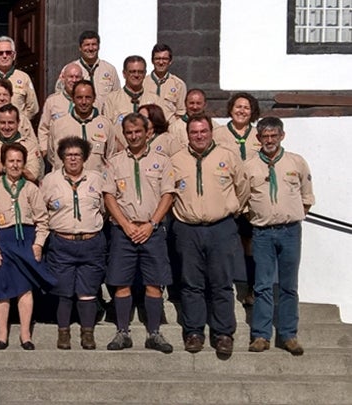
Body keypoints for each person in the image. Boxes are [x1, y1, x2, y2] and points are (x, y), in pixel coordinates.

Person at [170, 115, 249, 357]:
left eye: (203, 131)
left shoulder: (227, 156)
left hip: (220, 227)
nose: (200, 136)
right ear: (188, 135)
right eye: (194, 132)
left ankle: (223, 333)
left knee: (221, 282)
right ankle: (194, 332)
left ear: (211, 132)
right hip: (187, 228)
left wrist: (232, 209)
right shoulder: (176, 160)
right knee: (191, 282)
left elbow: (243, 187)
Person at [103, 114, 176, 353]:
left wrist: (152, 224)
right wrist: (125, 224)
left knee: (154, 283)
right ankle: (122, 332)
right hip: (124, 231)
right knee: (121, 282)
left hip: (151, 230)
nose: (133, 136)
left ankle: (154, 333)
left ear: (147, 133)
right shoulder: (114, 162)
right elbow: (109, 196)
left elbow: (168, 195)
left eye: (137, 132)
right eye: (128, 133)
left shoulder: (162, 161)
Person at [244, 117, 314, 355]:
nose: (270, 140)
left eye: (274, 135)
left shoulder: (297, 162)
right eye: (265, 136)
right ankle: (261, 335)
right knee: (262, 285)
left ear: (282, 136)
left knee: (288, 285)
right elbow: (242, 199)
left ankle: (288, 335)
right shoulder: (249, 166)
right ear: (258, 138)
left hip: (290, 232)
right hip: (262, 233)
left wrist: (290, 215)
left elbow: (306, 197)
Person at [0, 143, 54, 350]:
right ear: (4, 163)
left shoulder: (31, 189)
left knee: (25, 290)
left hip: (25, 241)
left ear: (24, 164)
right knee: (2, 290)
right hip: (3, 240)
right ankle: (2, 333)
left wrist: (39, 244)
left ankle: (25, 333)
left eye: (18, 161)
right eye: (10, 161)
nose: (14, 165)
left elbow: (42, 219)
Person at [40, 136, 107, 350]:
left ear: (85, 157)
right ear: (61, 158)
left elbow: (105, 209)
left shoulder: (96, 179)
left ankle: (87, 333)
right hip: (62, 242)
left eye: (77, 155)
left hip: (90, 242)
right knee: (64, 290)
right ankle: (63, 332)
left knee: (87, 291)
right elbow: (41, 211)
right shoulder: (50, 180)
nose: (73, 159)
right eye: (68, 155)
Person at [213, 92, 263, 306]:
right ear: (230, 109)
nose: (242, 111)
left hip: (252, 200)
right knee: (221, 244)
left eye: (247, 108)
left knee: (250, 244)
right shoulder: (219, 133)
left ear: (252, 112)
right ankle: (218, 288)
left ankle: (251, 289)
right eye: (238, 106)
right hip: (226, 197)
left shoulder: (259, 135)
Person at [45, 80, 114, 172]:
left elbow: (111, 156)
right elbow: (52, 156)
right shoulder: (58, 125)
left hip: (97, 182)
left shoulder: (106, 125)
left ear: (94, 98)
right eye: (79, 97)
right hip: (65, 183)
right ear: (73, 99)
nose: (84, 102)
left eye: (88, 97)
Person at [0, 35, 39, 120]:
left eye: (8, 52)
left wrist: (19, 122)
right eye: (0, 53)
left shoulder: (24, 78)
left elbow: (33, 108)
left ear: (14, 55)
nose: (4, 56)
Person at [0, 103, 43, 183]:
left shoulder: (30, 146)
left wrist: (4, 169)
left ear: (18, 122)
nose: (6, 127)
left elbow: (33, 175)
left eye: (11, 122)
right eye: (2, 123)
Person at [55, 30, 120, 109]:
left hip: (103, 118)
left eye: (94, 44)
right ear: (80, 47)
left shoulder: (110, 69)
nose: (91, 48)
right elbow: (59, 96)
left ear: (99, 46)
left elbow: (117, 98)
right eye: (87, 45)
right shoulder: (70, 69)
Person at [103, 56, 171, 126]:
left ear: (145, 74)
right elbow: (106, 128)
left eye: (140, 72)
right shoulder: (112, 99)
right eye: (132, 72)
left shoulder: (155, 100)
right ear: (124, 74)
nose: (136, 75)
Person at [38, 62, 85, 157]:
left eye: (77, 77)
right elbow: (44, 128)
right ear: (63, 78)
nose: (74, 80)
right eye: (70, 77)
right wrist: (44, 150)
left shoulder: (89, 102)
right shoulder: (52, 101)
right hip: (57, 154)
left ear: (82, 79)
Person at [0, 79, 38, 143]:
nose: (2, 98)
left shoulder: (22, 119)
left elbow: (32, 144)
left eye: (5, 95)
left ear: (11, 95)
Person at [143, 43, 187, 117]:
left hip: (169, 127)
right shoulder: (142, 83)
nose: (161, 62)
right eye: (157, 59)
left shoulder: (178, 84)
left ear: (170, 61)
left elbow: (181, 112)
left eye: (164, 59)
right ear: (152, 61)